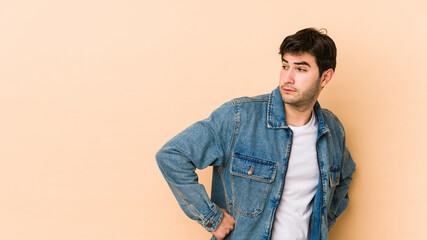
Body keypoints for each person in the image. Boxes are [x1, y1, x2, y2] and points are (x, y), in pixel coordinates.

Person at [156, 28, 356, 240]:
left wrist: (322, 225)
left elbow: (345, 176)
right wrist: (211, 218)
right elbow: (172, 155)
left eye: (301, 70)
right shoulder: (239, 117)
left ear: (326, 77)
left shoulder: (332, 129)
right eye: (285, 66)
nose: (288, 78)